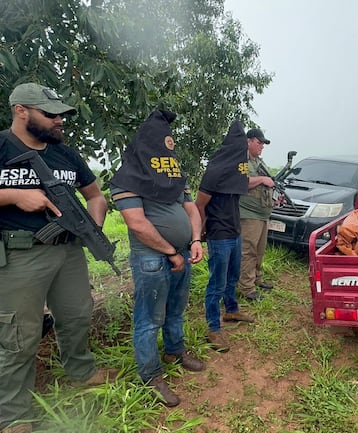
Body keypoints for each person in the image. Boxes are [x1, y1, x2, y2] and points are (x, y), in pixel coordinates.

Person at [0, 82, 116, 433]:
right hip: (19, 256)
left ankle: (81, 372)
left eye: (62, 115)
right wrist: (13, 195)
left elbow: (96, 196)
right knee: (19, 335)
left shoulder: (66, 154)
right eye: (51, 114)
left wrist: (90, 228)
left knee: (78, 316)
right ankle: (16, 416)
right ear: (21, 111)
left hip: (68, 252)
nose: (60, 121)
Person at [109, 109, 205, 408]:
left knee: (176, 310)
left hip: (183, 254)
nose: (168, 149)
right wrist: (171, 252)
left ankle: (175, 351)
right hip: (152, 259)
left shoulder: (174, 175)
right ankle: (151, 375)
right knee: (149, 320)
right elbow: (137, 224)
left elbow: (191, 209)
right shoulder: (128, 178)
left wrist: (197, 240)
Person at [195, 120, 256, 353]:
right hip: (219, 234)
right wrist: (201, 231)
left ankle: (231, 310)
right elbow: (199, 203)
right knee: (216, 283)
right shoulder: (216, 169)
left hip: (235, 231)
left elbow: (242, 189)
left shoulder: (238, 170)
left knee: (232, 276)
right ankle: (213, 327)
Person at [237, 128, 276, 302]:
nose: (262, 147)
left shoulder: (258, 161)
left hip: (262, 213)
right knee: (248, 250)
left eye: (263, 144)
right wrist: (262, 180)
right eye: (259, 143)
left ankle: (257, 278)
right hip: (248, 213)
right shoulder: (242, 160)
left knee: (259, 250)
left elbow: (266, 184)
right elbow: (240, 182)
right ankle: (247, 287)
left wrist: (276, 197)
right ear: (249, 141)